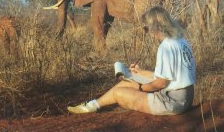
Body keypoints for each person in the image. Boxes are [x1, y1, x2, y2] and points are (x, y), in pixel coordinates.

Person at [67, 6, 196, 115]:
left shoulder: (166, 47)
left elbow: (161, 83)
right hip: (184, 97)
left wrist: (140, 87)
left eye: (146, 28)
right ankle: (91, 106)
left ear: (155, 27)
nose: (147, 33)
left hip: (172, 101)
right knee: (129, 80)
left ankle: (90, 107)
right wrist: (139, 72)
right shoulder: (180, 41)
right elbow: (168, 77)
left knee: (118, 93)